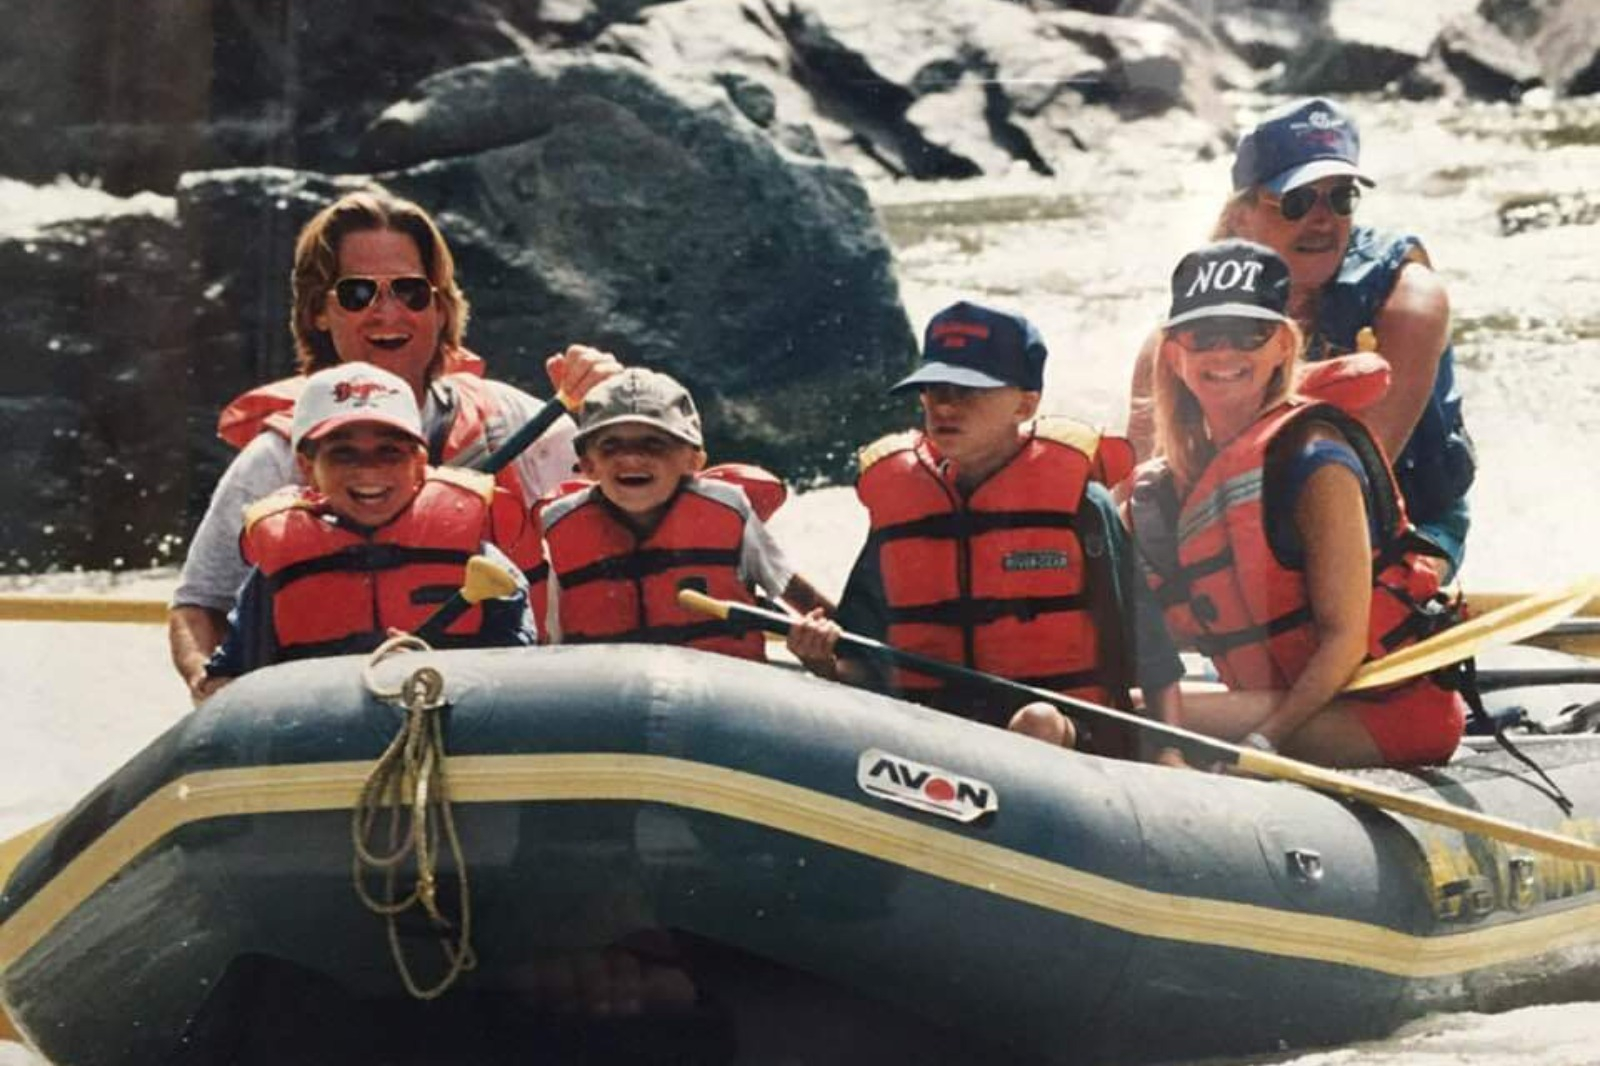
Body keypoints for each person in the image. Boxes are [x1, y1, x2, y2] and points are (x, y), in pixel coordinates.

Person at [169, 190, 620, 701]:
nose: (388, 312)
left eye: (410, 291)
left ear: (440, 306)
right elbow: (199, 604)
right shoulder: (277, 460)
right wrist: (211, 689)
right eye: (358, 293)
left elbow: (644, 504)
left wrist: (613, 407)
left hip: (502, 720)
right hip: (335, 730)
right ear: (319, 311)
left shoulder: (517, 424)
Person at [787, 300, 1184, 754]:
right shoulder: (901, 505)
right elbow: (861, 663)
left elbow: (1151, 653)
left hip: (1064, 736)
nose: (945, 407)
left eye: (968, 391)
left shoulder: (1082, 504)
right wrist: (821, 660)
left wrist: (1170, 753)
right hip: (937, 733)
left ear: (1025, 403)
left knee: (1036, 722)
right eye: (934, 390)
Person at [1128, 238, 1465, 768]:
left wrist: (1263, 742)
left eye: (1249, 333)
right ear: (1174, 354)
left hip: (1380, 709)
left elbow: (1343, 642)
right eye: (1202, 334)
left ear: (1283, 347)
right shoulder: (1171, 485)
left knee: (1125, 724)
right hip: (1281, 699)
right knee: (1112, 712)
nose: (1224, 352)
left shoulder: (1317, 461)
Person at [1126, 97, 1474, 579]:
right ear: (1240, 215)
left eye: (1341, 198)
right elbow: (1141, 472)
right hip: (1244, 517)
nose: (1323, 219)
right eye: (1297, 201)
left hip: (1406, 515)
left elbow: (1362, 481)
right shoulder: (1190, 318)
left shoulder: (1411, 299)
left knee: (1313, 603)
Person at [204, 363, 538, 682]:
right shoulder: (278, 566)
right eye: (343, 454)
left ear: (419, 463)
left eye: (389, 452)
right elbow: (234, 674)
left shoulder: (482, 561)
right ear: (308, 468)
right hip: (325, 727)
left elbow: (515, 672)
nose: (368, 470)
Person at [539, 367, 832, 658]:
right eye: (611, 445)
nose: (630, 457)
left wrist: (836, 634)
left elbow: (790, 588)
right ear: (588, 466)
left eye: (654, 443)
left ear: (693, 461)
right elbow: (551, 636)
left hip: (718, 691)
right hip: (610, 694)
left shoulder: (728, 508)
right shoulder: (560, 526)